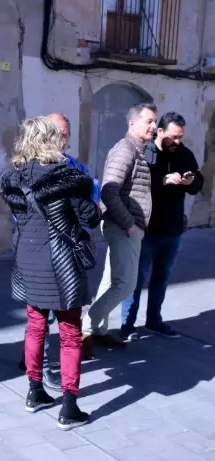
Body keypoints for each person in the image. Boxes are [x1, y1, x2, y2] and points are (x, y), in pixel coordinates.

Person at [0, 116, 100, 430]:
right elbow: (91, 218)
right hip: (62, 263)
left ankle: (35, 392)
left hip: (28, 259)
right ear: (51, 141)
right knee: (70, 334)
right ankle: (69, 407)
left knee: (35, 326)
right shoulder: (66, 177)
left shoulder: (13, 178)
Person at [82, 103, 156, 360]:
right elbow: (109, 190)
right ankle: (86, 327)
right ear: (132, 123)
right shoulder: (124, 149)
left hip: (125, 225)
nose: (153, 126)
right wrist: (130, 224)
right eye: (149, 121)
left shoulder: (140, 150)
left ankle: (98, 331)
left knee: (111, 280)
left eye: (154, 121)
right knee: (126, 285)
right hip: (123, 226)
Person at [120, 112, 204, 340]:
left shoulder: (184, 153)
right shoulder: (145, 153)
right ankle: (127, 325)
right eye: (174, 137)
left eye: (181, 137)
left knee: (161, 277)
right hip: (146, 229)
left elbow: (198, 184)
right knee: (136, 280)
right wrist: (164, 180)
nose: (178, 142)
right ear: (160, 132)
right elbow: (135, 186)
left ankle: (154, 320)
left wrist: (191, 180)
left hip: (173, 229)